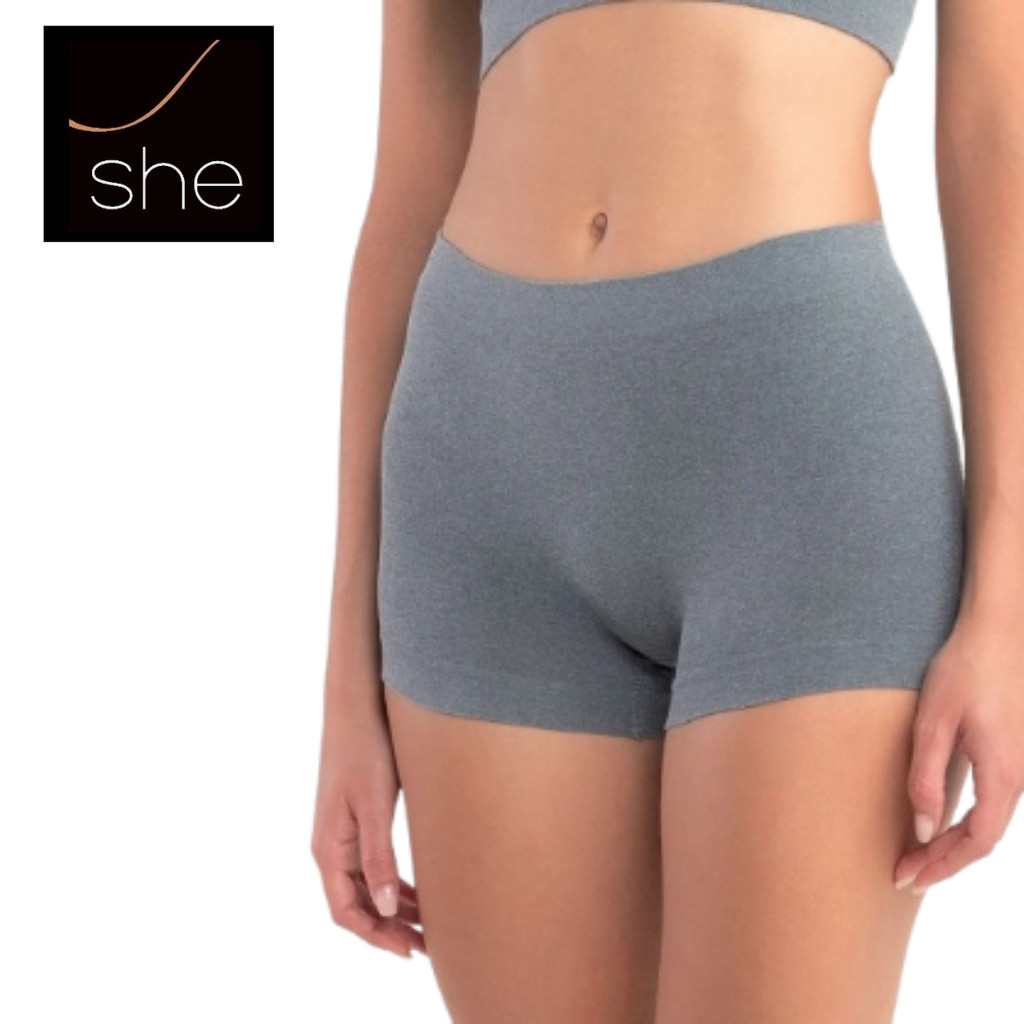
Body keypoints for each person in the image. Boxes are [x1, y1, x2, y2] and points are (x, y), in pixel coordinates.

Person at [312, 2, 1024, 1019]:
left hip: (801, 459)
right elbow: (408, 178)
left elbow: (998, 130)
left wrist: (1005, 604)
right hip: (481, 470)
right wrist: (347, 680)